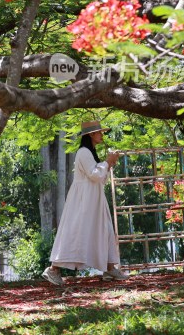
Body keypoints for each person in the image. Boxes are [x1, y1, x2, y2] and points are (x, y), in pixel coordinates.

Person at [41, 120, 129, 285]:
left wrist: (108, 163)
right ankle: (53, 269)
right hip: (83, 200)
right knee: (75, 232)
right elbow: (94, 175)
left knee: (105, 228)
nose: (102, 135)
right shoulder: (83, 152)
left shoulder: (89, 152)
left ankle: (109, 267)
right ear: (91, 134)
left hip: (93, 198)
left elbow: (98, 176)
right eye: (99, 132)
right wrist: (108, 162)